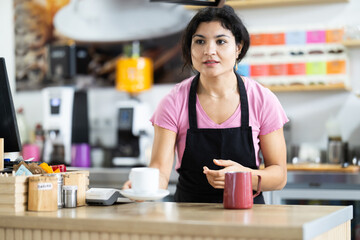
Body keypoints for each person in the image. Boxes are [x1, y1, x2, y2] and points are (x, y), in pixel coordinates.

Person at [123, 5, 288, 203]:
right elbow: (160, 171)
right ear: (190, 49)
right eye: (200, 41)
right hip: (189, 218)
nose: (209, 51)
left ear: (238, 47)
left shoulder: (262, 99)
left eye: (221, 41)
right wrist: (142, 189)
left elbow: (279, 176)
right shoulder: (174, 100)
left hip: (248, 216)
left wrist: (243, 177)